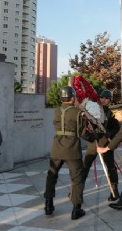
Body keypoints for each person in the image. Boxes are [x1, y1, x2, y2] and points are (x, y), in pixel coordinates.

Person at [43, 86, 86, 220]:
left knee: (52, 176)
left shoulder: (56, 111)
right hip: (72, 149)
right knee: (77, 178)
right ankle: (76, 209)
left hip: (57, 147)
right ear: (72, 98)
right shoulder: (77, 112)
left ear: (61, 98)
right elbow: (82, 132)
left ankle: (48, 205)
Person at [82, 90, 120, 201]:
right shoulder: (93, 109)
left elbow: (116, 127)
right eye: (102, 97)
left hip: (105, 143)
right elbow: (85, 125)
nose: (103, 100)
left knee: (111, 168)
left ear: (109, 100)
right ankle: (76, 191)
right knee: (84, 167)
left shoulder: (111, 113)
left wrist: (109, 133)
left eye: (106, 98)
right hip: (93, 143)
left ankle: (115, 191)